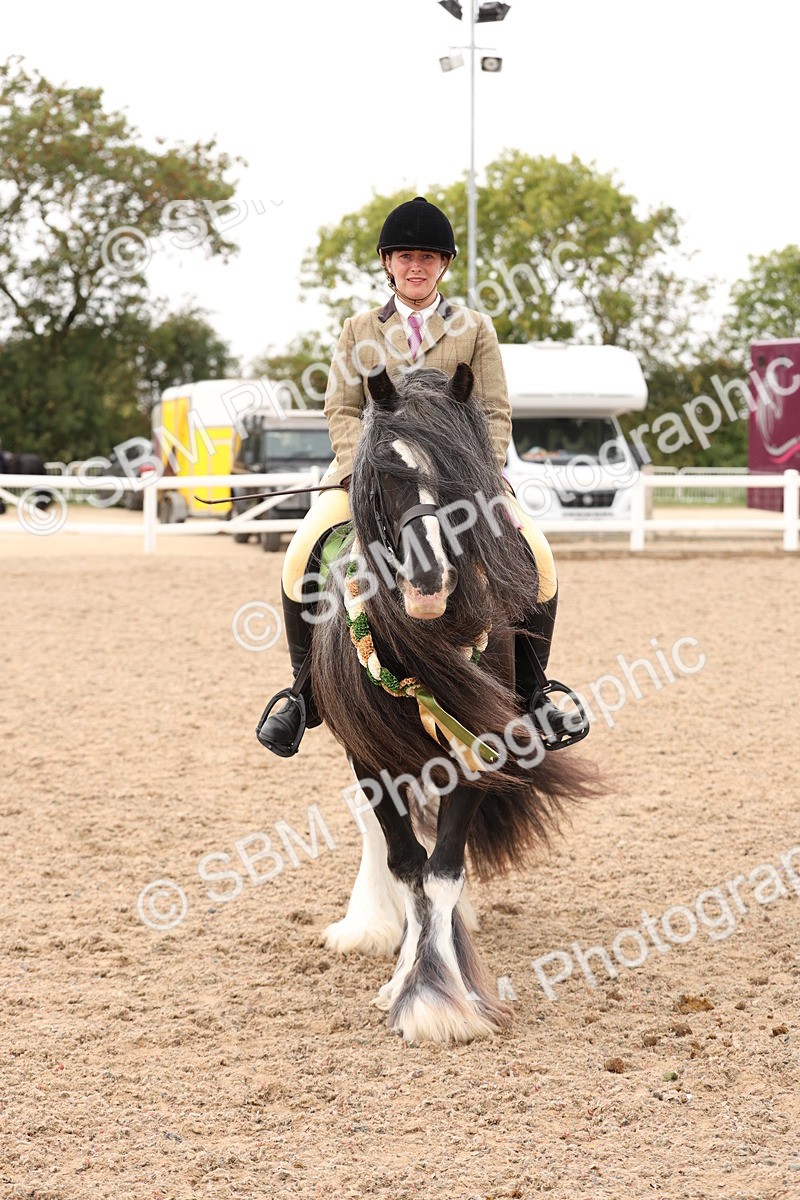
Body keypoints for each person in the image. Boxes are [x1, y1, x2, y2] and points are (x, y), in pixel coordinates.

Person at [257, 196, 563, 757]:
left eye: (426, 257)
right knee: (301, 550)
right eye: (404, 256)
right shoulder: (357, 331)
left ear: (443, 264)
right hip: (374, 475)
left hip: (459, 478)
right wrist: (363, 467)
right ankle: (303, 695)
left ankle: (536, 689)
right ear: (387, 263)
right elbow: (341, 409)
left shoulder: (475, 329)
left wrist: (480, 471)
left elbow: (493, 410)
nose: (415, 267)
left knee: (537, 553)